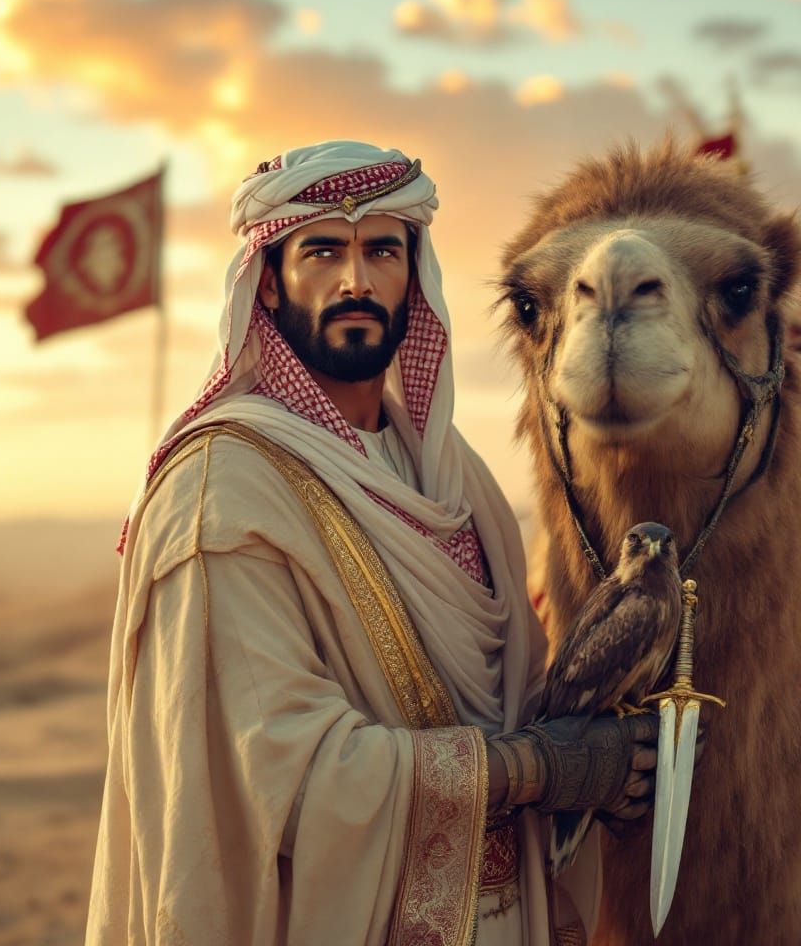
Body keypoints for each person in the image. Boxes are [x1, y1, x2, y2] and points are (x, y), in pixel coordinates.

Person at [85, 141, 659, 946]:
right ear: (269, 283)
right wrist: (539, 769)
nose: (356, 280)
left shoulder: (455, 476)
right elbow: (281, 768)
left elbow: (515, 691)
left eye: (382, 251)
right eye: (322, 251)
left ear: (412, 276)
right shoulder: (224, 490)